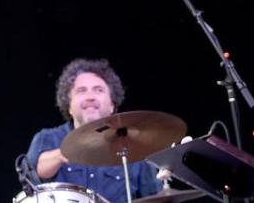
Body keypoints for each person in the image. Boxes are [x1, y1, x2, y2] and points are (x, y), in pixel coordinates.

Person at [26, 58, 162, 203]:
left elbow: (155, 198)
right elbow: (34, 174)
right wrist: (66, 151)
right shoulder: (47, 138)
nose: (90, 97)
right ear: (69, 106)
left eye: (99, 90)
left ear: (112, 105)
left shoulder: (135, 146)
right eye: (81, 91)